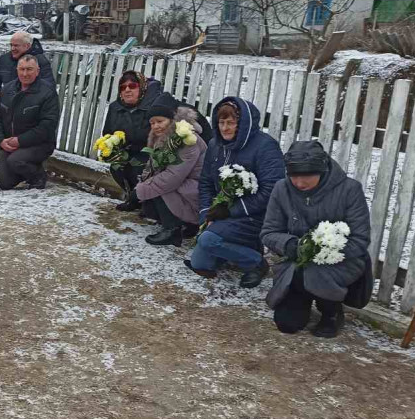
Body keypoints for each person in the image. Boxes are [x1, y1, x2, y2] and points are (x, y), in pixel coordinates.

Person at [261, 140, 373, 338]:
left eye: (307, 176)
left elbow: (360, 239)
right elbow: (268, 232)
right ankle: (302, 295)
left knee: (314, 272)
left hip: (338, 262)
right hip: (296, 262)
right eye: (294, 176)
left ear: (322, 171)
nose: (300, 183)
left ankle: (331, 310)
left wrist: (325, 248)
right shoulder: (281, 189)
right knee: (287, 324)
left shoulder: (349, 190)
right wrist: (291, 245)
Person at [188, 96, 285, 287]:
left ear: (243, 124)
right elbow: (206, 182)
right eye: (221, 122)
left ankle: (256, 262)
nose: (225, 128)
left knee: (208, 240)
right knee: (200, 264)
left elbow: (272, 190)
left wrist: (231, 211)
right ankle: (233, 247)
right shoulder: (215, 145)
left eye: (231, 123)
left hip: (254, 216)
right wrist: (205, 214)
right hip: (222, 212)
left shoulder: (265, 146)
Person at [134, 101, 208, 246]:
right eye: (152, 123)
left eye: (160, 121)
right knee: (153, 190)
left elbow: (172, 178)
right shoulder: (163, 138)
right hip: (184, 185)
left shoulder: (188, 140)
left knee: (162, 185)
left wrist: (140, 190)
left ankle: (172, 230)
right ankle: (187, 225)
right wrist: (140, 186)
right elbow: (152, 166)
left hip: (198, 190)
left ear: (172, 120)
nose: (156, 126)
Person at [0, 31, 56, 172]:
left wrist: (27, 97)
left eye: (17, 46)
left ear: (27, 46)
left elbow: (48, 87)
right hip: (7, 110)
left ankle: (24, 164)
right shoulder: (5, 59)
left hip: (29, 113)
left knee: (7, 175)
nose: (13, 49)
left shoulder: (39, 61)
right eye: (11, 45)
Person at [0, 55, 60, 191]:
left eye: (29, 69)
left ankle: (38, 176)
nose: (25, 73)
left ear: (37, 71)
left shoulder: (47, 93)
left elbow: (47, 126)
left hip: (39, 144)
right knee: (3, 183)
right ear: (17, 70)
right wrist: (0, 140)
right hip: (11, 144)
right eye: (21, 69)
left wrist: (20, 141)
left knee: (16, 161)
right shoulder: (8, 89)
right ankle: (22, 170)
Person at [101, 70, 168, 210]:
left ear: (141, 87)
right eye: (122, 87)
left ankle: (147, 203)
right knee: (116, 166)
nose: (127, 90)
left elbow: (160, 136)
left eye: (132, 86)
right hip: (127, 149)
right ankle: (133, 197)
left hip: (151, 152)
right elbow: (107, 132)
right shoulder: (115, 107)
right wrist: (112, 147)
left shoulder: (153, 107)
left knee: (138, 167)